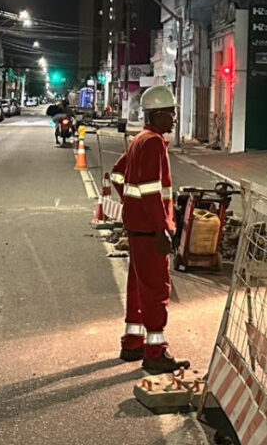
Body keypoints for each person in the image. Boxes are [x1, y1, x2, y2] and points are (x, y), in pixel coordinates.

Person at [109, 85, 189, 374]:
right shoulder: (153, 143)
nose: (175, 118)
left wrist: (130, 205)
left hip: (137, 228)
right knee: (156, 290)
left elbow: (118, 175)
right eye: (171, 113)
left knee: (137, 286)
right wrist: (161, 229)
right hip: (150, 231)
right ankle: (155, 351)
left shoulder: (138, 140)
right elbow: (151, 192)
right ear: (156, 115)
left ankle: (133, 341)